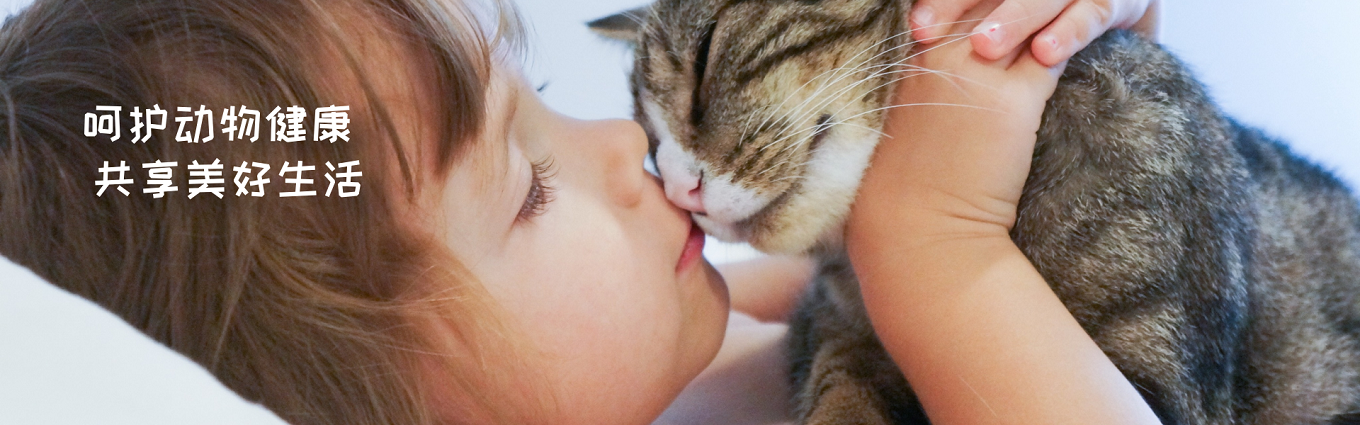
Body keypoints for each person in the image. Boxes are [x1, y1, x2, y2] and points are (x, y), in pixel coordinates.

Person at [0, 0, 1158, 423]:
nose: (626, 150)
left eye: (546, 101)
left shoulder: (696, 346)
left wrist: (1056, 68)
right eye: (528, 187)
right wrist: (940, 252)